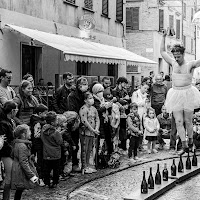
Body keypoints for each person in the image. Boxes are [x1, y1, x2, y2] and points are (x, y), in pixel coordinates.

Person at [160, 29, 200, 154]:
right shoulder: (173, 63)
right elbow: (162, 52)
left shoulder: (190, 65)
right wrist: (164, 36)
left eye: (178, 56)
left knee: (188, 121)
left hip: (188, 93)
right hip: (175, 93)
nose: (176, 58)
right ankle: (184, 145)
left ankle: (191, 142)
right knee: (178, 121)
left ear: (183, 54)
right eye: (175, 56)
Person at [11, 124, 38, 200]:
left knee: (19, 190)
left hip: (18, 168)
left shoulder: (17, 143)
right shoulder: (22, 146)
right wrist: (32, 175)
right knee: (20, 189)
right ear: (23, 134)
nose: (31, 133)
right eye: (29, 132)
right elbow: (23, 162)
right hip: (21, 171)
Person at [67, 77, 88, 172]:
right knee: (74, 143)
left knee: (83, 143)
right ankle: (74, 163)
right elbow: (72, 110)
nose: (85, 86)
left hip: (84, 121)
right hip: (75, 122)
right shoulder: (72, 96)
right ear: (78, 85)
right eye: (83, 84)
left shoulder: (84, 95)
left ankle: (83, 162)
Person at [0, 100, 17, 200]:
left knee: (9, 178)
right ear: (12, 111)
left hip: (8, 152)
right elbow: (6, 141)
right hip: (5, 153)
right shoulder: (3, 123)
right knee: (8, 178)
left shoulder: (10, 121)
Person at [41, 111, 63, 188]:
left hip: (46, 153)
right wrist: (60, 133)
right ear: (53, 122)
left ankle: (46, 182)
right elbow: (59, 142)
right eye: (56, 120)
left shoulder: (43, 130)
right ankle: (55, 182)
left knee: (47, 169)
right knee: (55, 170)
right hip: (55, 154)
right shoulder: (56, 132)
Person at [79, 92, 100, 174]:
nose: (92, 100)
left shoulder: (94, 109)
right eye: (90, 98)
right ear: (85, 100)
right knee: (84, 149)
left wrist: (96, 128)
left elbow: (97, 119)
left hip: (92, 132)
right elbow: (84, 121)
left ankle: (88, 165)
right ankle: (84, 167)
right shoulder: (83, 109)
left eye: (92, 98)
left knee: (90, 150)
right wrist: (92, 129)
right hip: (85, 132)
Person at [29, 104, 48, 187]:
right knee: (39, 162)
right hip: (38, 145)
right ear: (40, 113)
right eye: (45, 113)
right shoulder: (37, 122)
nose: (46, 115)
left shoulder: (37, 121)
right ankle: (39, 178)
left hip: (38, 144)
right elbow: (36, 135)